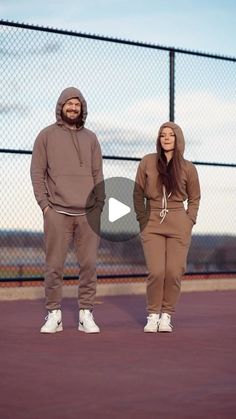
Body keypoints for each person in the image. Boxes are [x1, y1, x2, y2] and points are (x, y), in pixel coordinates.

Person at [30, 87, 105, 334]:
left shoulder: (92, 138)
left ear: (82, 108)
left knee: (89, 265)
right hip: (57, 212)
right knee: (54, 266)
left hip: (87, 213)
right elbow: (37, 173)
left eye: (77, 104)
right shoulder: (46, 136)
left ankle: (86, 314)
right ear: (61, 106)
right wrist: (45, 206)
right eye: (68, 104)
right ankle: (54, 314)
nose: (73, 108)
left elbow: (97, 174)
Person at [133, 122, 200, 333]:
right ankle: (153, 314)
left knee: (173, 271)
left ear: (178, 139)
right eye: (163, 135)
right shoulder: (147, 162)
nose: (167, 138)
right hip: (152, 221)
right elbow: (137, 193)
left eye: (171, 135)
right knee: (156, 271)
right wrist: (142, 218)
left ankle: (166, 315)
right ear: (159, 139)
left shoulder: (188, 167)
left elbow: (195, 198)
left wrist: (189, 221)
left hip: (179, 221)